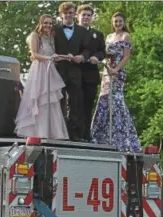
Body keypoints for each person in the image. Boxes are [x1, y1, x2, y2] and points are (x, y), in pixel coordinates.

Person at [91, 12, 141, 152]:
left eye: (120, 21)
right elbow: (106, 55)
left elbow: (126, 57)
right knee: (104, 100)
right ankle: (101, 136)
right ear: (112, 23)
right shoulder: (109, 37)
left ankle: (121, 137)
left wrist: (116, 70)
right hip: (107, 71)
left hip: (117, 72)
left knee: (116, 100)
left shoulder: (126, 36)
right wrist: (107, 67)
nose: (118, 24)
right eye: (115, 21)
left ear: (124, 22)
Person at [15, 14, 69, 139]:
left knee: (51, 100)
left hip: (50, 70)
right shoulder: (35, 36)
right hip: (39, 70)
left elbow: (53, 56)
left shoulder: (50, 37)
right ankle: (37, 132)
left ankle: (50, 132)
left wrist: (67, 57)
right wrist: (49, 58)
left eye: (50, 23)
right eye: (46, 23)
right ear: (40, 23)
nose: (48, 25)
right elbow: (34, 54)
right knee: (39, 99)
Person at [54, 2, 90, 141]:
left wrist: (82, 56)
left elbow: (87, 49)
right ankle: (58, 132)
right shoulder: (54, 30)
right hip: (58, 70)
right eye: (66, 13)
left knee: (76, 102)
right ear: (61, 14)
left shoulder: (82, 31)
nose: (69, 15)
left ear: (75, 14)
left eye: (71, 12)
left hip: (75, 71)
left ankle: (74, 134)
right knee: (58, 101)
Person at [77, 4, 106, 142]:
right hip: (74, 73)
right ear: (78, 16)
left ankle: (85, 134)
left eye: (89, 15)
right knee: (74, 105)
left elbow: (102, 51)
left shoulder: (98, 34)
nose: (86, 17)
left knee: (88, 106)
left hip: (90, 75)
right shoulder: (72, 32)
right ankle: (73, 134)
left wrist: (97, 57)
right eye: (84, 15)